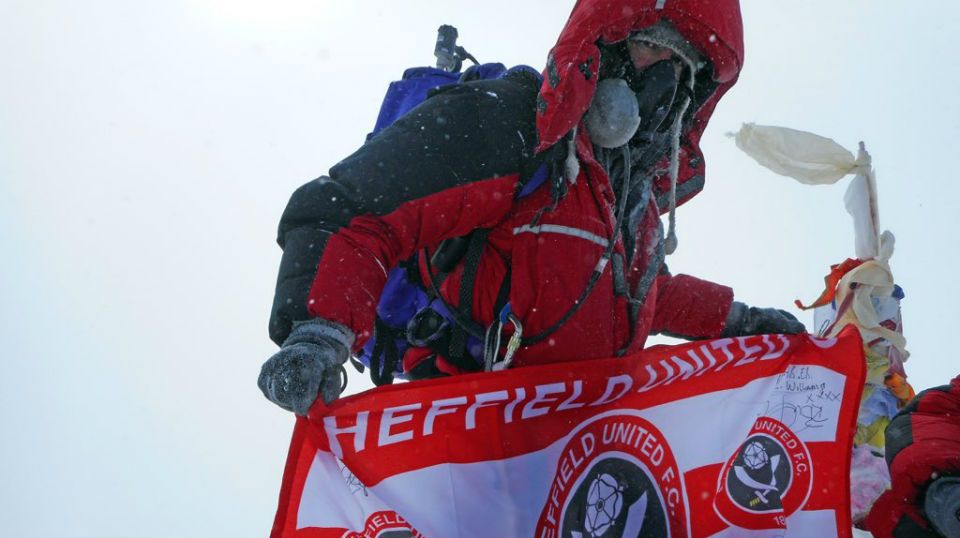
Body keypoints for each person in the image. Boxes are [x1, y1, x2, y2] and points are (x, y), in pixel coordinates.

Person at [258, 0, 805, 416]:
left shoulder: (631, 206)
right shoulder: (517, 127)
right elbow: (360, 209)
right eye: (653, 47)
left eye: (682, 69)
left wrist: (739, 320)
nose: (663, 82)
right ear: (606, 50)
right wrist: (318, 332)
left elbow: (652, 296)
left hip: (578, 455)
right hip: (468, 440)